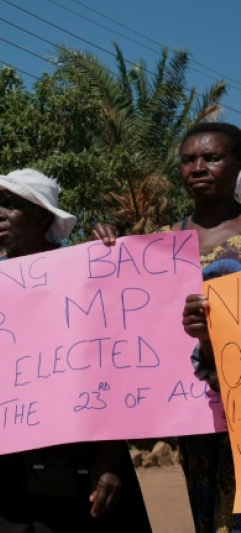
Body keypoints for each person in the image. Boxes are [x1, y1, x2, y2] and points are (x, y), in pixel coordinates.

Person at [0, 169, 151, 532]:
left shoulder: (88, 270)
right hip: (5, 468)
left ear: (42, 215)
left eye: (10, 205)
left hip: (80, 461)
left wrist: (110, 456)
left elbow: (118, 366)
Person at [164, 122, 241, 532]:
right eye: (188, 159)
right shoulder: (155, 245)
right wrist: (104, 250)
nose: (198, 167)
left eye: (212, 157)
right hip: (188, 417)